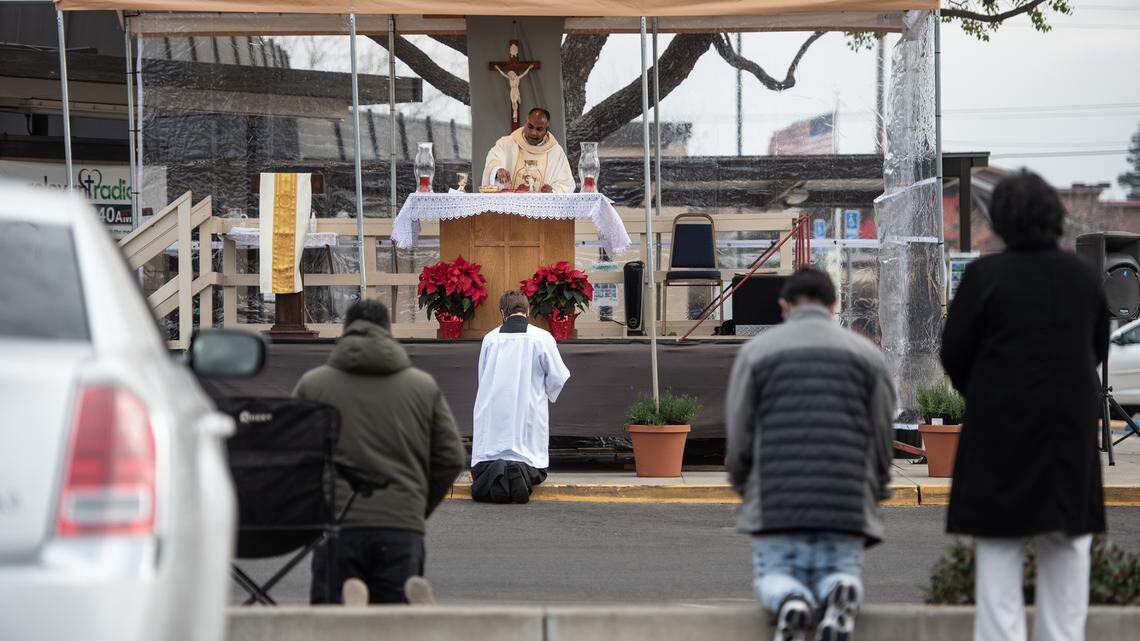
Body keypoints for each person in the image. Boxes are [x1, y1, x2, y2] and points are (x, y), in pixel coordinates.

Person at [940, 170, 1107, 641]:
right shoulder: (1082, 276)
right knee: (1068, 548)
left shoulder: (984, 275)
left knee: (998, 549)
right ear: (1054, 216)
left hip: (998, 431)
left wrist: (986, 393)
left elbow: (953, 352)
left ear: (1001, 220)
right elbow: (1096, 348)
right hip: (1067, 431)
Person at [726, 267, 895, 641]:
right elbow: (883, 435)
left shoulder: (756, 353)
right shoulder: (868, 356)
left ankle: (790, 602)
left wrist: (743, 484)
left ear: (784, 305)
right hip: (846, 501)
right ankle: (840, 589)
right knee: (841, 570)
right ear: (834, 304)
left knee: (774, 576)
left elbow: (739, 434)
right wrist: (877, 487)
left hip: (776, 500)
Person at [293, 299, 465, 603]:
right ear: (389, 333)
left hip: (338, 527)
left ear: (345, 333)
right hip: (401, 526)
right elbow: (451, 457)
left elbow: (292, 455)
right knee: (396, 626)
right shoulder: (422, 387)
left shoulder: (313, 385)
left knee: (331, 629)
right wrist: (415, 506)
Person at [470, 290, 570, 503]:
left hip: (493, 410)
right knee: (530, 457)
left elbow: (483, 376)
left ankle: (497, 468)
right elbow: (559, 377)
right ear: (528, 310)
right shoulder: (542, 338)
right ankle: (521, 471)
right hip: (529, 409)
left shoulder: (490, 339)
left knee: (490, 454)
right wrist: (544, 393)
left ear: (502, 313)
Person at [481, 107, 575, 193]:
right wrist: (498, 170)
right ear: (525, 123)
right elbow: (493, 160)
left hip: (541, 209)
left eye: (539, 129)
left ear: (547, 129)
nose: (533, 133)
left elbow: (566, 184)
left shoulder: (556, 152)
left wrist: (553, 191)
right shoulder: (507, 143)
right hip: (509, 207)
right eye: (530, 126)